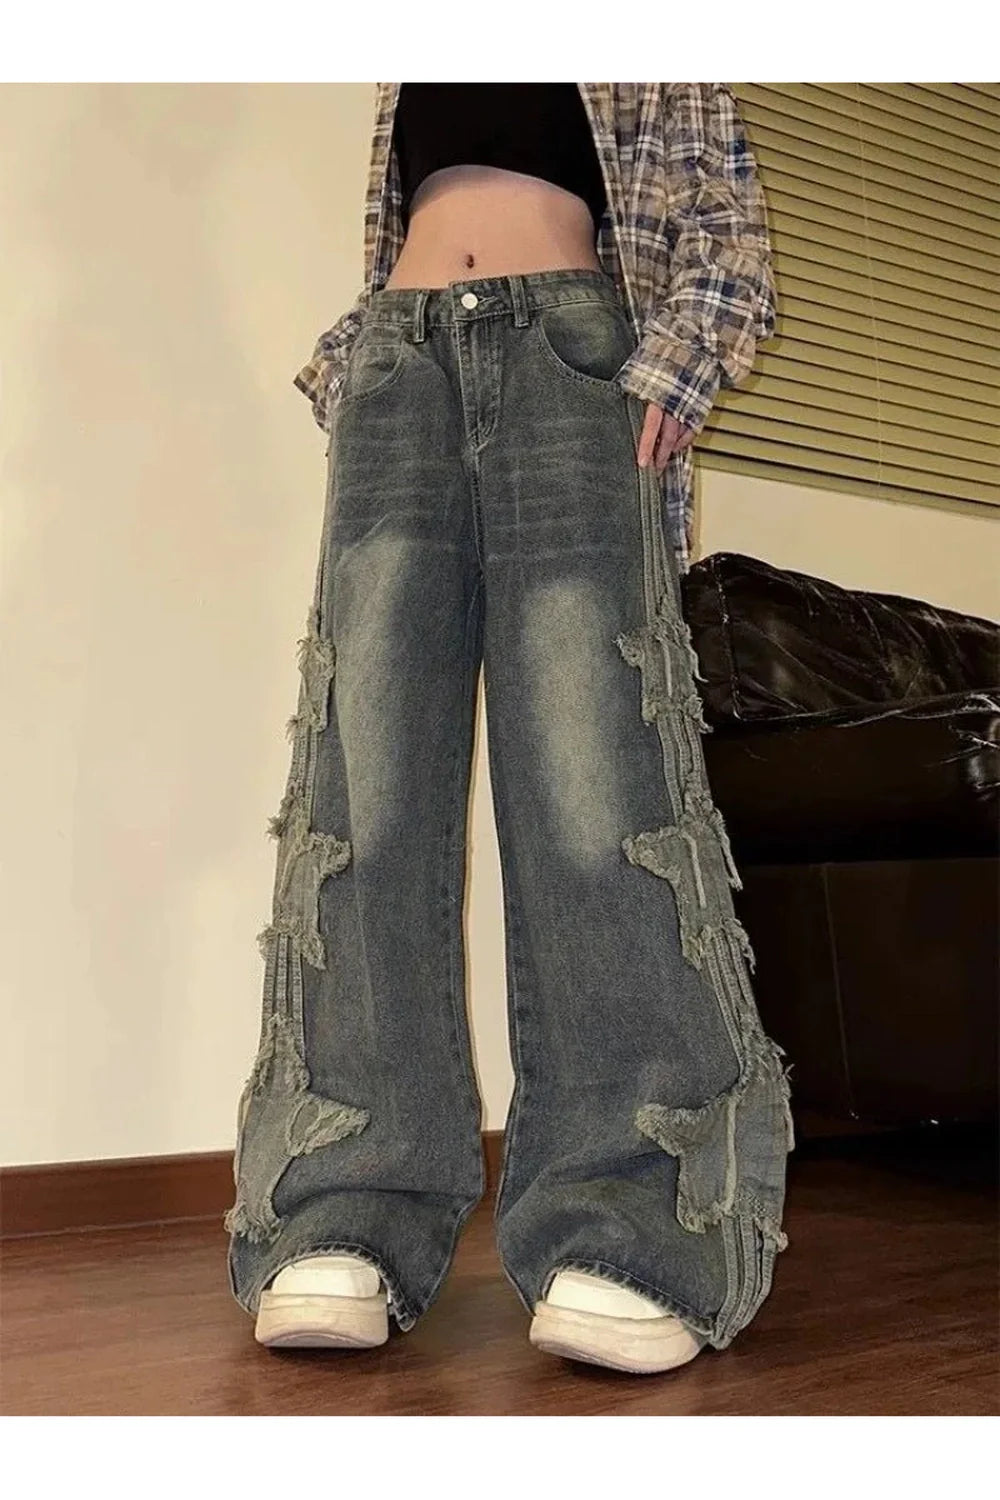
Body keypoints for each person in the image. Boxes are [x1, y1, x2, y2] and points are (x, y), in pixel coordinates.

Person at [224, 82, 795, 1376]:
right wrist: (356, 359)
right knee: (365, 793)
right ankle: (345, 1198)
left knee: (596, 800)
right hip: (402, 364)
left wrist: (676, 362)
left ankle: (629, 1219)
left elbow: (727, 229)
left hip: (574, 363)